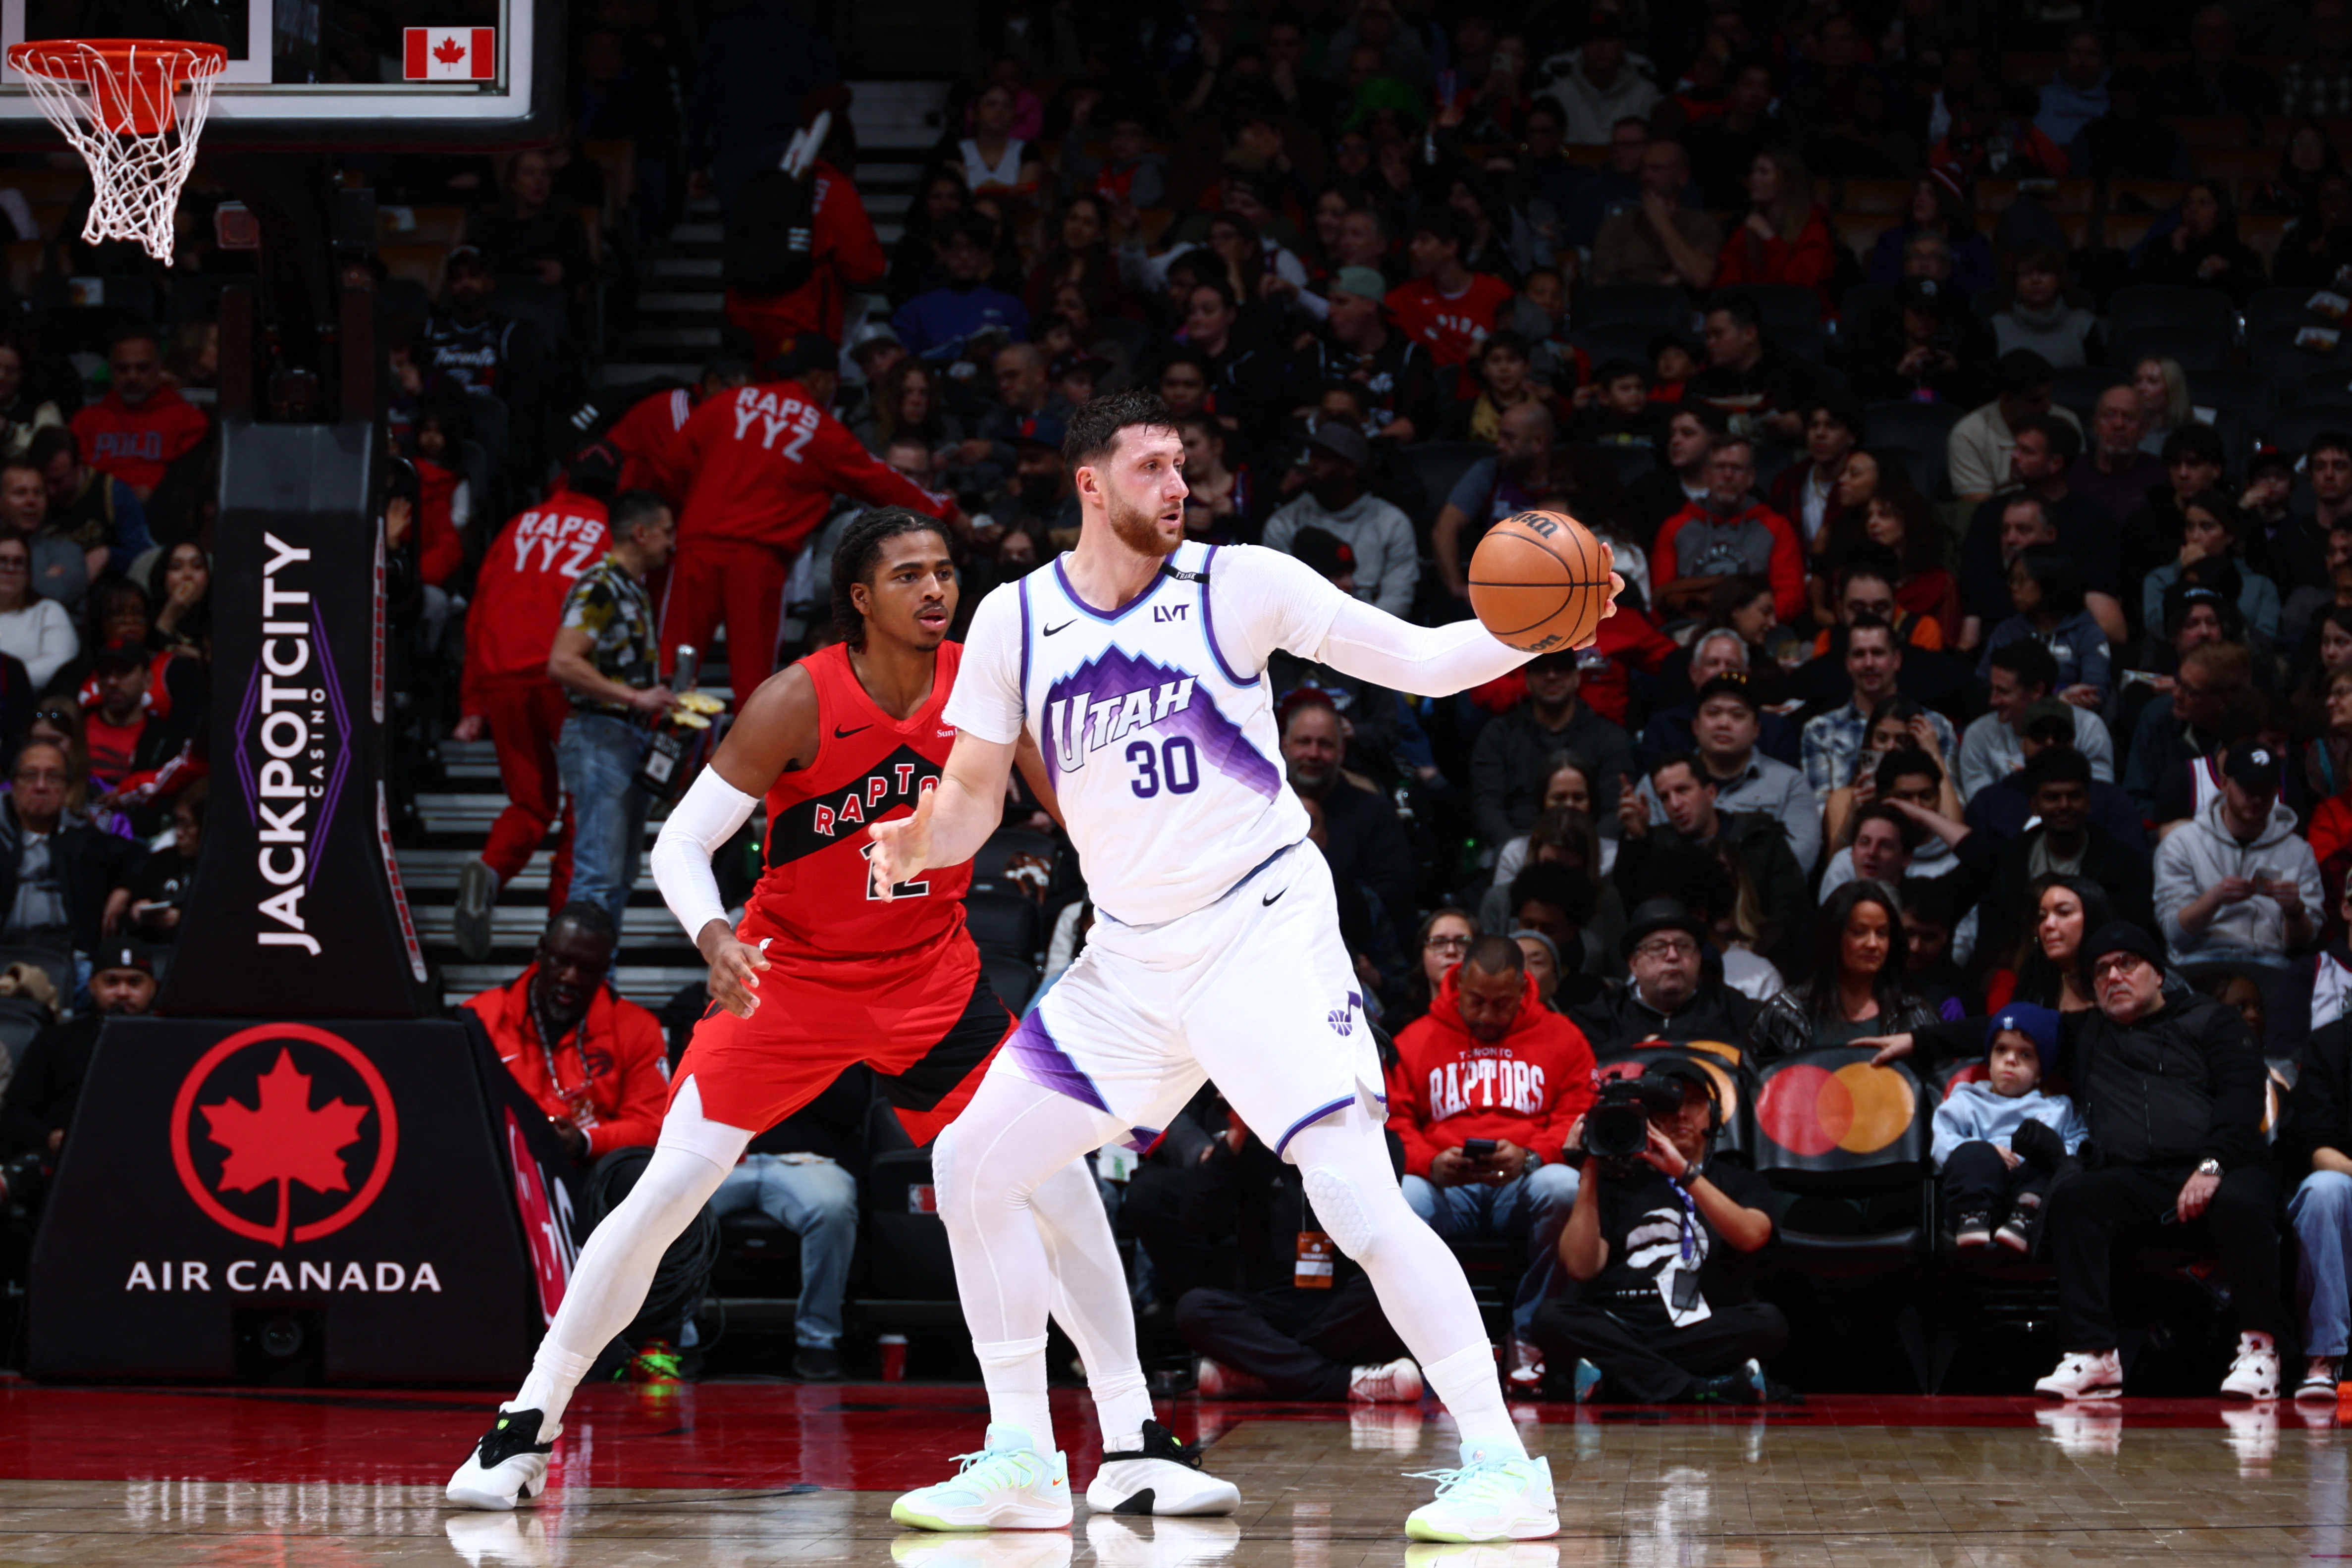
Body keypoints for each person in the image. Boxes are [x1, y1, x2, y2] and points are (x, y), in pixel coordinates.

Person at [865, 390, 1620, 1539]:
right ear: (1089, 483)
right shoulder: (1015, 618)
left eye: (1186, 464)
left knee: (1355, 1197)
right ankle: (1022, 1456)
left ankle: (1503, 1465)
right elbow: (974, 794)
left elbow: (1420, 661)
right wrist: (921, 842)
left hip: (1259, 932)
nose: (1180, 485)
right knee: (973, 1160)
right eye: (1153, 466)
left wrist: (1547, 621)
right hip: (1129, 960)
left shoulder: (1239, 582)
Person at [450, 506, 1238, 1519]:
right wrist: (713, 937)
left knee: (1056, 1178)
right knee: (666, 1191)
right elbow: (681, 843)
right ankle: (526, 1422)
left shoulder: (982, 684)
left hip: (929, 981)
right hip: (788, 981)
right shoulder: (797, 699)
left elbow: (1085, 814)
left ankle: (1131, 1439)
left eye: (943, 570)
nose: (935, 588)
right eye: (908, 574)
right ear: (860, 598)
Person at [1864, 923, 2288, 1401]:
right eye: (2101, 971)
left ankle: (2260, 1350)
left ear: (2159, 974)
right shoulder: (2087, 1032)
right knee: (2076, 1196)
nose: (2113, 977)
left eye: (2126, 964)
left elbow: (2241, 1097)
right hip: (2137, 1178)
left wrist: (2212, 1166)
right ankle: (2094, 1352)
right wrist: (1918, 1041)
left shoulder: (2212, 1020)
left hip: (2218, 1167)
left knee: (2244, 1200)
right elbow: (2005, 1026)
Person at [464, 904, 708, 1381]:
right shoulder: (481, 1018)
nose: (570, 978)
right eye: (562, 961)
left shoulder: (635, 1027)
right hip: (506, 1173)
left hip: (589, 1171)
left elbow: (654, 1124)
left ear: (605, 970)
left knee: (656, 1179)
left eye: (588, 968)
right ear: (541, 952)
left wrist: (584, 1141)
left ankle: (654, 1345)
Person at [651, 337, 960, 706]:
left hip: (698, 546)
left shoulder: (726, 403)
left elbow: (669, 469)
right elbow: (882, 480)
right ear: (821, 380)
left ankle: (659, 738)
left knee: (675, 666)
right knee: (753, 682)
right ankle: (757, 746)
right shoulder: (820, 429)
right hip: (757, 560)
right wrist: (949, 512)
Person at [1536, 1057, 1784, 1404]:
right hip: (1621, 1322)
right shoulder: (1612, 1181)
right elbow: (1581, 1267)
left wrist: (1683, 1172)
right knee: (1550, 1318)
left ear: (1713, 1114)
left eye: (1693, 1102)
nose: (1681, 1114)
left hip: (1701, 1324)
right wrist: (1589, 1169)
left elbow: (1753, 1236)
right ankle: (1702, 1387)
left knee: (1768, 1322)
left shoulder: (1741, 1181)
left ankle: (1624, 1377)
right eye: (1668, 1106)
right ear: (1647, 1117)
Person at [1390, 935, 1595, 1355]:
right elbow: (1394, 1123)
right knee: (1406, 1197)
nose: (1486, 1015)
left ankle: (1531, 1336)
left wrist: (1532, 1157)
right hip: (1447, 1188)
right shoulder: (1416, 1038)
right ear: (1458, 984)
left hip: (1523, 1184)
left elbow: (1577, 1116)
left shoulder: (1563, 1037)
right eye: (1476, 1001)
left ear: (1523, 989)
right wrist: (1430, 1163)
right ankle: (1428, 1342)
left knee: (1564, 1187)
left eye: (1501, 1003)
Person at [450, 450, 617, 957]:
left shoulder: (520, 524)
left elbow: (480, 605)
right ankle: (564, 926)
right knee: (583, 808)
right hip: (564, 678)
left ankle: (490, 869)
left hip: (502, 673)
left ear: (565, 477)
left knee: (529, 802)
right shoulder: (608, 534)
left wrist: (472, 701)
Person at [548, 491, 676, 932]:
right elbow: (562, 662)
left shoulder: (628, 587)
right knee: (598, 875)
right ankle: (582, 969)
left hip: (620, 735)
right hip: (601, 734)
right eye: (666, 532)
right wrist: (636, 698)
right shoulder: (601, 585)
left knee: (616, 875)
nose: (671, 543)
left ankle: (601, 969)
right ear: (641, 534)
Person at [1617, 752, 1811, 978]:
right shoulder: (1657, 847)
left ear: (1711, 793)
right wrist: (1636, 841)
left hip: (1762, 962)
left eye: (1682, 790)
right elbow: (1633, 906)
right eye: (1665, 798)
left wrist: (1752, 952)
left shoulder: (1760, 838)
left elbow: (1791, 913)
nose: (1675, 804)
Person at [2154, 742, 2322, 972]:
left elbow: (2302, 944)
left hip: (2269, 964)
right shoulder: (2182, 843)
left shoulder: (2299, 852)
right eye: (2249, 790)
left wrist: (2295, 911)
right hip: (2197, 962)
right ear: (2224, 784)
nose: (2257, 799)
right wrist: (2215, 898)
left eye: (2266, 791)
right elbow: (2174, 933)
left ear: (2277, 791)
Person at [1932, 1004, 2087, 1251]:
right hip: (1974, 1197)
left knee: (2051, 1160)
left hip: (2031, 1203)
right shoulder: (1965, 1101)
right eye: (2001, 1050)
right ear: (1989, 1060)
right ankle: (1974, 1218)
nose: (2010, 1060)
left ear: (2040, 1072)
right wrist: (1985, 1150)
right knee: (1973, 1153)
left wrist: (2057, 1154)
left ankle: (2024, 1216)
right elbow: (1942, 1142)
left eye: (2026, 1055)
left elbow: (2079, 1141)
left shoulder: (2057, 1108)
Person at [1747, 883, 1941, 1063]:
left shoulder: (1915, 1016)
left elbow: (1940, 1082)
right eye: (1859, 932)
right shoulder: (1784, 1014)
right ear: (1834, 936)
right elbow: (1753, 1080)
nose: (1873, 944)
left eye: (1882, 933)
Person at [0, 937, 155, 1162]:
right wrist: (49, 1138)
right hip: (61, 1159)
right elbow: (16, 1112)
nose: (123, 992)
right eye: (111, 982)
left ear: (153, 988)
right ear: (92, 986)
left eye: (135, 983)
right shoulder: (56, 1040)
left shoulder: (171, 1044)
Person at [1471, 648, 1636, 852]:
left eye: (1561, 669)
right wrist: (1518, 853)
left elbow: (1615, 809)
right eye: (1542, 669)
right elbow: (1487, 806)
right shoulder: (1498, 735)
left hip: (1592, 852)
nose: (1551, 676)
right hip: (1516, 849)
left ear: (1577, 677)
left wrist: (1589, 855)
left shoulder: (1609, 737)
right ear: (1528, 680)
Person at [0, 739, 143, 960]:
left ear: (67, 789)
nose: (41, 786)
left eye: (53, 778)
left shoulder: (84, 837)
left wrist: (125, 890)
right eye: (30, 776)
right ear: (14, 785)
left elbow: (141, 858)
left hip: (68, 958)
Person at [1261, 422, 1418, 617]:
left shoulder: (1392, 523)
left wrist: (1358, 632)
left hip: (1371, 630)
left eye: (1324, 458)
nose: (1312, 465)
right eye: (1312, 455)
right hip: (1304, 630)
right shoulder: (1284, 522)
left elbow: (1397, 600)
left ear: (1350, 468)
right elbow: (1280, 598)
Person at [1568, 897, 1760, 1051]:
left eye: (1683, 946)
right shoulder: (1601, 1017)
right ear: (1634, 964)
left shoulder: (1733, 1009)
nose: (1673, 956)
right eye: (1658, 948)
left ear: (1698, 958)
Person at [1651, 436, 1806, 623]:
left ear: (1751, 477)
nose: (1727, 475)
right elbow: (1661, 594)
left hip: (1756, 627)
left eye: (1736, 468)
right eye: (1720, 467)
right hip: (1690, 626)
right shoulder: (1674, 527)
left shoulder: (1776, 527)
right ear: (1706, 475)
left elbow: (1791, 595)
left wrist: (1753, 620)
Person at [1801, 616, 1956, 800]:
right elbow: (1820, 810)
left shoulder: (1936, 726)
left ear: (1897, 659)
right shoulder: (1820, 731)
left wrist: (1932, 753)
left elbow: (1954, 812)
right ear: (1848, 663)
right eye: (1859, 655)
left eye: (1878, 653)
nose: (1869, 663)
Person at [2281, 998, 2352, 1399]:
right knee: (2323, 1190)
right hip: (2350, 1185)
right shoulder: (2333, 1043)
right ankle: (2324, 1358)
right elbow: (2320, 1150)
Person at [1956, 640, 2116, 798]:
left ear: (2037, 691)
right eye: (1992, 689)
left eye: (2003, 692)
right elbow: (1982, 806)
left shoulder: (2089, 728)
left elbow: (2100, 799)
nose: (1993, 701)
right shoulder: (1979, 734)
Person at [67, 325, 208, 502]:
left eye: (142, 368)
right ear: (110, 370)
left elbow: (191, 482)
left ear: (160, 369)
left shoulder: (190, 421)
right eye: (123, 369)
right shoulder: (85, 421)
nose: (132, 377)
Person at [1979, 544, 2112, 710]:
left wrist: (2057, 704)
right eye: (2012, 580)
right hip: (2010, 718)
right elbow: (1982, 686)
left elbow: (2095, 693)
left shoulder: (2086, 632)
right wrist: (2057, 699)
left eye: (2021, 579)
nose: (2014, 587)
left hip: (2070, 720)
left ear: (2049, 580)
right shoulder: (2007, 632)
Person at [1709, 149, 1837, 318]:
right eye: (1754, 172)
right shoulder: (1748, 227)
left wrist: (1769, 238)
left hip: (1802, 321)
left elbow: (1798, 287)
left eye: (1764, 172)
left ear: (1787, 181)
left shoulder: (1814, 228)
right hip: (1755, 319)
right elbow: (1727, 284)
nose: (1754, 178)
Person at [1589, 138, 1721, 290]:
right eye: (1643, 169)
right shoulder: (1619, 225)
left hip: (1682, 302)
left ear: (1682, 176)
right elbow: (1601, 282)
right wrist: (1674, 277)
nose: (1646, 176)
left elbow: (1701, 277)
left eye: (1656, 169)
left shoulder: (1703, 225)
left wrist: (1661, 222)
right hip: (1630, 300)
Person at [1946, 351, 2069, 506]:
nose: (2048, 407)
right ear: (2006, 398)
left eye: (2049, 396)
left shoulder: (2066, 421)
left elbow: (2077, 487)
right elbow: (1978, 506)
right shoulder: (1968, 434)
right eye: (2036, 400)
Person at [0, 531, 72, 689]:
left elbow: (59, 661)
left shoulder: (48, 611)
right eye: (2, 561)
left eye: (19, 562)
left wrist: (5, 682)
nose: (10, 569)